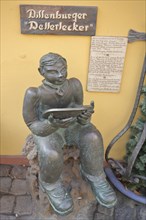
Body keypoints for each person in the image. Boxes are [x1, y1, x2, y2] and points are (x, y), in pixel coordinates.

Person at [23, 52, 117, 215]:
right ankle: (51, 184)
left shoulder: (74, 85)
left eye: (63, 70)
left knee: (93, 137)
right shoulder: (34, 93)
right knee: (51, 154)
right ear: (41, 72)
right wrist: (50, 125)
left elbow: (78, 109)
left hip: (73, 126)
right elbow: (32, 123)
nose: (60, 75)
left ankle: (95, 175)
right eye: (53, 71)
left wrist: (84, 118)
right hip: (48, 129)